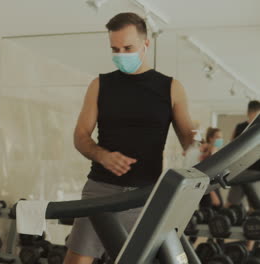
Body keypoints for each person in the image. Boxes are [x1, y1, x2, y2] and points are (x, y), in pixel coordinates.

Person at [64, 13, 194, 264]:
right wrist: (102, 155)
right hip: (100, 190)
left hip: (146, 194)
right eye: (115, 49)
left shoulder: (171, 88)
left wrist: (200, 148)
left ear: (146, 44)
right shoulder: (99, 85)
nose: (121, 54)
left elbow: (190, 138)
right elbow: (80, 137)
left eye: (128, 48)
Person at [226, 100, 260, 209]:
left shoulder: (239, 127)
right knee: (235, 202)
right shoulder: (243, 127)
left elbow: (230, 148)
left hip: (242, 171)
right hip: (248, 172)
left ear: (248, 111)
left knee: (233, 203)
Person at [198, 127, 224, 208]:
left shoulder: (215, 152)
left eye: (221, 137)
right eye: (218, 137)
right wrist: (211, 192)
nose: (220, 140)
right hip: (208, 187)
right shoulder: (208, 152)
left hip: (214, 185)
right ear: (211, 138)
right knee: (212, 209)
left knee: (218, 207)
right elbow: (205, 173)